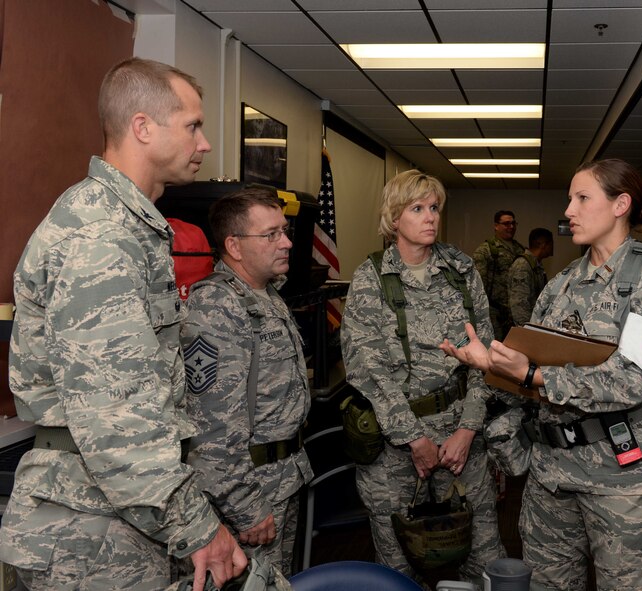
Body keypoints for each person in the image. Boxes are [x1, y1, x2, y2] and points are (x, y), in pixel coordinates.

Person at [0, 58, 247, 591]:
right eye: (193, 126)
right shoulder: (101, 237)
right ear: (142, 127)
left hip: (116, 516)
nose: (204, 144)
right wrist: (199, 528)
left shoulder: (127, 227)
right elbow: (119, 419)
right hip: (88, 533)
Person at [441, 159, 642, 590]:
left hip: (624, 481)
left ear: (621, 205)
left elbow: (630, 380)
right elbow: (526, 377)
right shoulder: (560, 285)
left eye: (582, 198)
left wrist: (534, 374)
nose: (569, 210)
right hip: (551, 476)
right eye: (569, 199)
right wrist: (495, 367)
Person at [341, 170, 505, 584]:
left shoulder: (461, 269)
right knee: (396, 561)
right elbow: (366, 367)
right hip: (396, 441)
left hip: (458, 435)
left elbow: (484, 359)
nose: (430, 217)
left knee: (483, 551)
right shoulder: (371, 277)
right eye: (417, 209)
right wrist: (414, 439)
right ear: (395, 218)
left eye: (434, 208)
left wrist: (468, 429)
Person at [181, 188, 313, 577]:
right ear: (234, 246)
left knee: (278, 581)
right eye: (271, 234)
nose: (287, 242)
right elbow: (212, 432)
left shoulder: (266, 294)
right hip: (248, 492)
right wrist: (247, 506)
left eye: (284, 231)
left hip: (281, 479)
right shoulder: (218, 307)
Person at [473, 210, 526, 340]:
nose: (511, 227)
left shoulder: (520, 249)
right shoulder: (485, 250)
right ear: (496, 226)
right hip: (494, 313)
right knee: (495, 349)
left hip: (515, 312)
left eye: (513, 223)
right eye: (506, 224)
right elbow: (479, 286)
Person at [508, 227, 554, 327]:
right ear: (543, 245)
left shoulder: (535, 264)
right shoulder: (523, 265)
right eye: (551, 243)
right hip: (524, 327)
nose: (553, 247)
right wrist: (527, 330)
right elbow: (519, 304)